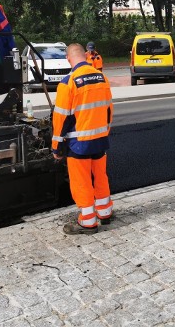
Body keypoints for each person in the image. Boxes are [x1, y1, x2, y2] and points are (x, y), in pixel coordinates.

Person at [52, 43, 114, 234]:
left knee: (82, 181)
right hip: (101, 138)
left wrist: (56, 147)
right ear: (85, 56)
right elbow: (109, 109)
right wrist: (105, 131)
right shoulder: (101, 77)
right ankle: (105, 212)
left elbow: (61, 117)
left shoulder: (68, 81)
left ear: (68, 58)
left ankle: (87, 221)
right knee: (100, 176)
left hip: (79, 143)